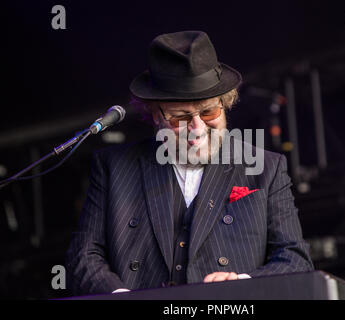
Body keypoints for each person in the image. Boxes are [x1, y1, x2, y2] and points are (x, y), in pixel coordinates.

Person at [65, 30, 313, 295]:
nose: (196, 128)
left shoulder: (267, 168)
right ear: (155, 114)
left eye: (209, 112)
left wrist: (243, 282)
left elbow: (295, 259)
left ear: (225, 103)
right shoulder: (111, 167)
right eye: (179, 118)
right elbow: (84, 257)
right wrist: (121, 297)